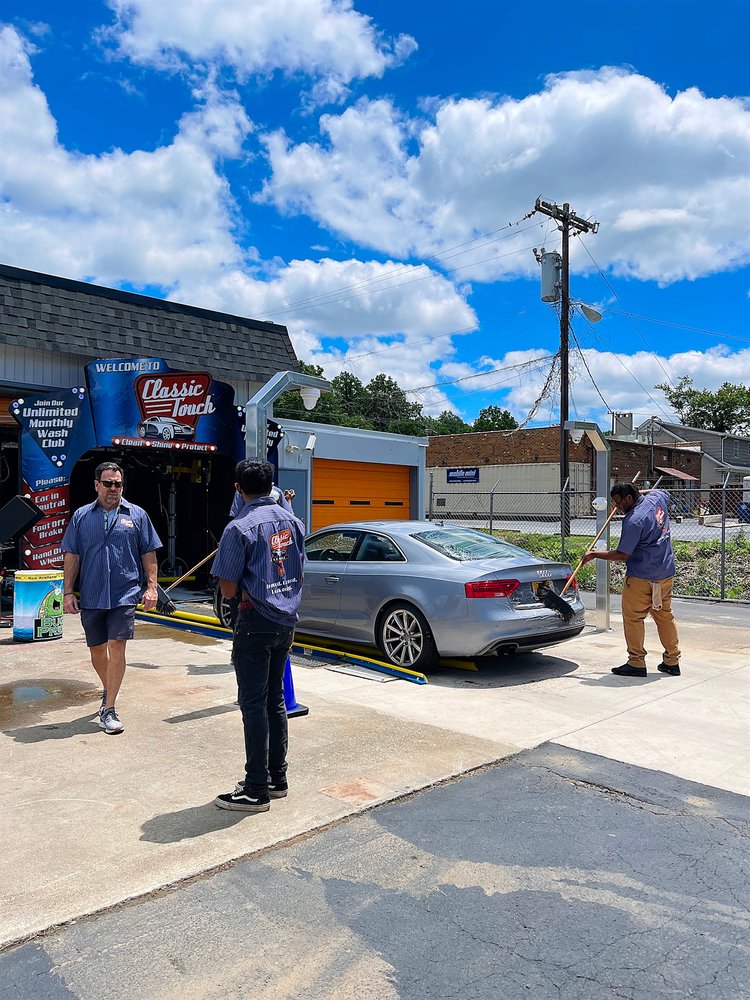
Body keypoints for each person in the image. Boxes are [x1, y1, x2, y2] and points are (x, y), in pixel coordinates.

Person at [212, 459, 305, 813]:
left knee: (252, 704)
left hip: (255, 621)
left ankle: (255, 790)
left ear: (239, 488)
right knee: (275, 700)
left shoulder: (239, 528)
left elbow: (228, 585)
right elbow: (299, 568)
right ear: (272, 487)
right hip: (286, 621)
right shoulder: (293, 522)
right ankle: (275, 778)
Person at [61, 462, 162, 734]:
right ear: (96, 485)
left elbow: (149, 553)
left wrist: (151, 587)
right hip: (92, 594)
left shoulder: (137, 515)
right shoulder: (82, 517)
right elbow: (72, 555)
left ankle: (109, 708)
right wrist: (68, 591)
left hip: (124, 594)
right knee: (97, 650)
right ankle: (110, 688)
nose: (113, 488)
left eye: (118, 484)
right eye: (108, 483)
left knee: (117, 645)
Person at [581, 482, 681, 678]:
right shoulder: (656, 499)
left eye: (619, 502)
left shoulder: (634, 520)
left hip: (641, 578)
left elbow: (623, 554)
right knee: (664, 616)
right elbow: (659, 491)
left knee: (634, 619)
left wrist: (594, 555)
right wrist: (638, 491)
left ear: (629, 498)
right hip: (665, 573)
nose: (617, 507)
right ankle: (672, 661)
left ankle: (636, 662)